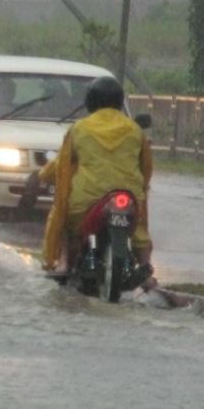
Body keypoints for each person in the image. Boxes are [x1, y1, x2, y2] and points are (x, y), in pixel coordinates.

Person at [33, 76, 155, 288]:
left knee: (63, 218)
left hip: (87, 200)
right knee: (140, 229)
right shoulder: (135, 130)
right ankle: (147, 273)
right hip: (128, 196)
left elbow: (61, 164)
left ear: (90, 101)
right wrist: (141, 189)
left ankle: (62, 263)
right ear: (119, 101)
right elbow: (146, 168)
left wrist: (42, 176)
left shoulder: (80, 129)